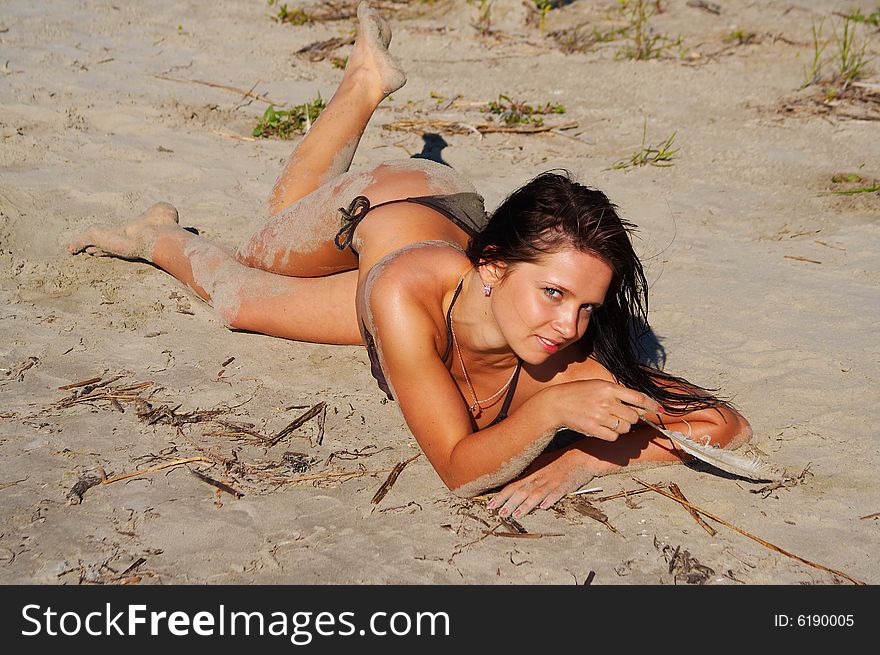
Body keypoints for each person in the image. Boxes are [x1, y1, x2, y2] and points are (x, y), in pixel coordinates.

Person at [68, 2, 750, 519]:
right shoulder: (403, 293)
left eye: (586, 305)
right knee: (246, 270)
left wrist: (582, 459)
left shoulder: (572, 353)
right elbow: (461, 468)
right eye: (552, 295)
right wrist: (550, 417)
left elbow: (721, 422)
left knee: (253, 283)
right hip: (395, 206)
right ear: (495, 270)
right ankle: (157, 231)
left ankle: (364, 77)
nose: (570, 324)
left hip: (477, 240)